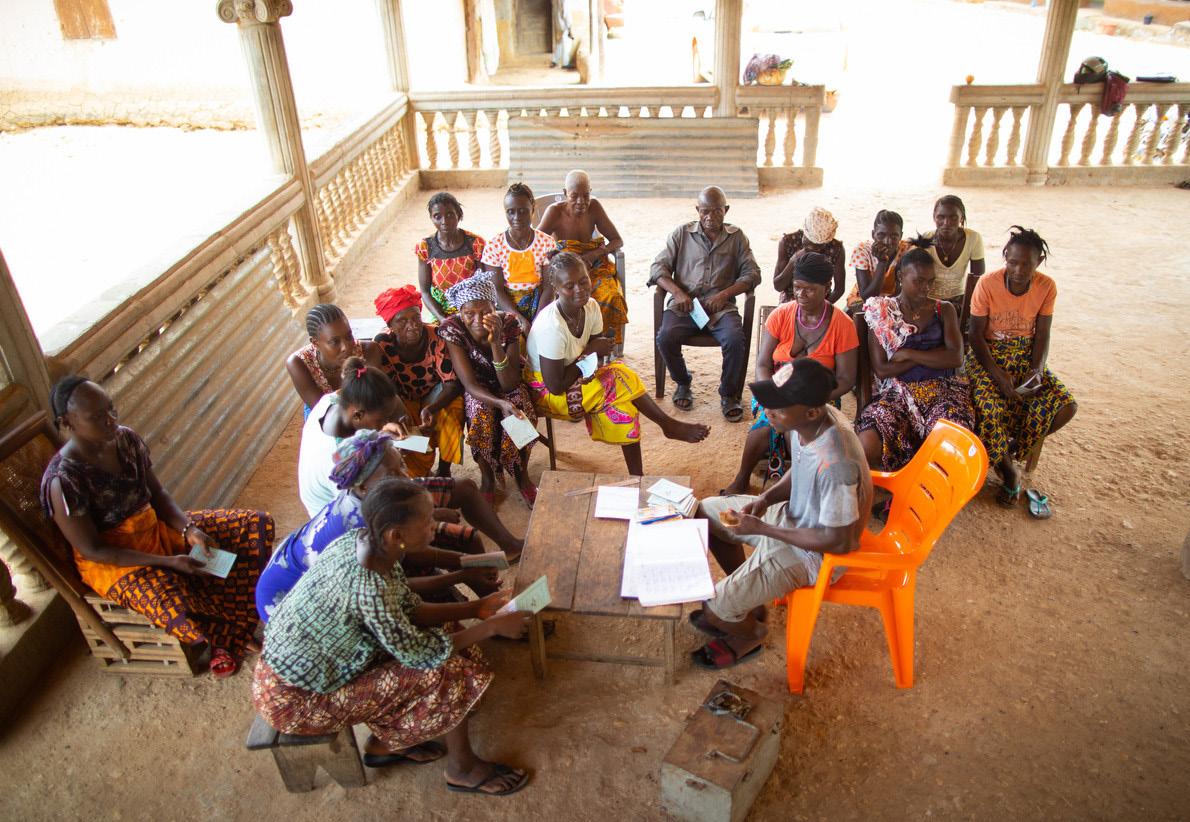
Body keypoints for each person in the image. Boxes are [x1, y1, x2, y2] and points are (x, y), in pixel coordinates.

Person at [253, 478, 532, 795]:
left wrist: (476, 608)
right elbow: (425, 655)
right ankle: (462, 769)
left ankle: (388, 743)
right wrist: (492, 626)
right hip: (298, 699)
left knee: (447, 634)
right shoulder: (369, 588)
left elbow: (404, 601)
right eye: (427, 522)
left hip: (316, 664)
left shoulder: (360, 544)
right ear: (396, 535)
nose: (434, 526)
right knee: (444, 671)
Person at [41, 377, 273, 678]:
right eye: (97, 416)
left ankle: (233, 629)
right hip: (116, 563)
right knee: (171, 603)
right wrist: (168, 562)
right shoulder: (64, 480)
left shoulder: (126, 439)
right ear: (67, 422)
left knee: (252, 526)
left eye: (111, 409)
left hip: (155, 530)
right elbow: (94, 550)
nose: (111, 419)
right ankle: (226, 639)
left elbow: (159, 495)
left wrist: (189, 530)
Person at [691, 360, 872, 669]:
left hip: (813, 553)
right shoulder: (810, 422)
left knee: (713, 609)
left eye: (778, 407)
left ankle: (752, 635)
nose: (768, 412)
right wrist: (766, 498)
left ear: (811, 412)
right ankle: (747, 601)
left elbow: (839, 542)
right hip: (794, 517)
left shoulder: (837, 466)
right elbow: (799, 467)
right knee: (705, 513)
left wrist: (763, 528)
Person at [256, 430, 504, 623]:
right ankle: (488, 609)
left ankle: (493, 604)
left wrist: (467, 563)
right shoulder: (362, 530)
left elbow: (409, 545)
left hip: (303, 561)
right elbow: (400, 584)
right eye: (392, 474)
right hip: (288, 600)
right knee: (425, 611)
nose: (405, 477)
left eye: (401, 465)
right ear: (363, 486)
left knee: (464, 540)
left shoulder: (372, 495)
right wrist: (465, 567)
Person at [524, 253, 711, 475]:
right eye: (569, 286)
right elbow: (555, 386)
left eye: (583, 281)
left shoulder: (591, 307)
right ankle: (667, 425)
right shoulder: (551, 327)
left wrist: (593, 360)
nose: (579, 290)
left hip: (575, 375)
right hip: (545, 391)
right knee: (618, 377)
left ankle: (638, 475)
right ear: (556, 288)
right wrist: (590, 353)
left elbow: (597, 356)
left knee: (622, 401)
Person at [723, 253, 858, 494]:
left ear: (827, 287)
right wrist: (772, 396)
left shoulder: (842, 324)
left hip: (820, 394)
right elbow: (763, 364)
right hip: (777, 389)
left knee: (798, 431)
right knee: (762, 430)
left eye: (810, 289)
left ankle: (797, 487)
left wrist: (811, 399)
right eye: (797, 287)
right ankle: (741, 478)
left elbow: (846, 379)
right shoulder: (781, 315)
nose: (801, 294)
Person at [966, 226, 1076, 511]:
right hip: (988, 355)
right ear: (1005, 256)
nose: (1018, 269)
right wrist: (997, 374)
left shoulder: (1046, 287)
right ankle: (1009, 471)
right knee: (987, 405)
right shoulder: (988, 284)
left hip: (1026, 355)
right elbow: (975, 336)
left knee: (1066, 406)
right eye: (1012, 262)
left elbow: (1042, 335)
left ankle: (1009, 449)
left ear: (1039, 262)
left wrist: (1036, 370)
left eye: (1026, 264)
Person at [855, 243, 975, 471]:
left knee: (949, 442)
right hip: (897, 393)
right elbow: (882, 370)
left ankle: (928, 488)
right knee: (867, 442)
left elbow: (955, 358)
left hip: (942, 391)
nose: (925, 288)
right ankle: (893, 482)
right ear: (901, 276)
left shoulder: (944, 309)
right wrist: (935, 356)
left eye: (930, 281)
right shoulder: (882, 311)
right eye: (919, 281)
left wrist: (909, 354)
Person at [649, 185, 761, 421]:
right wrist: (678, 293)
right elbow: (658, 268)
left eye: (717, 211)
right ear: (697, 210)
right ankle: (683, 382)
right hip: (685, 307)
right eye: (705, 211)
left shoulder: (737, 238)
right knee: (665, 337)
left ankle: (728, 394)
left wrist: (724, 295)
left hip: (721, 309)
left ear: (726, 210)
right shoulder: (681, 234)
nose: (710, 217)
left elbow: (752, 273)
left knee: (734, 339)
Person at [437, 273, 539, 506]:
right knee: (479, 411)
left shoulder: (509, 323)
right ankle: (488, 477)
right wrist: (500, 403)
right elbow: (470, 385)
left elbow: (509, 383)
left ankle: (521, 475)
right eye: (469, 313)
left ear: (495, 308)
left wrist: (495, 343)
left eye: (485, 312)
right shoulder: (453, 329)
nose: (477, 319)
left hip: (507, 380)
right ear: (460, 313)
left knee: (519, 406)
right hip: (478, 387)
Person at [370, 285, 466, 478]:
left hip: (436, 391)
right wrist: (401, 411)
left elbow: (452, 384)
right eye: (402, 321)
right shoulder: (381, 345)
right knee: (405, 427)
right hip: (402, 396)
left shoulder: (436, 335)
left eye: (415, 317)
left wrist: (432, 408)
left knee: (453, 411)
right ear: (390, 325)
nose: (412, 325)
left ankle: (444, 470)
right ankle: (420, 473)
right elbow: (386, 390)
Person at [298, 357, 413, 517]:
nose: (385, 424)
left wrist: (381, 433)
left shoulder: (335, 400)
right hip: (334, 512)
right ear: (358, 415)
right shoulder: (340, 459)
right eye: (381, 420)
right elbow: (362, 500)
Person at [536, 170, 628, 347]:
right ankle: (570, 345)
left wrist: (595, 254)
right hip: (566, 272)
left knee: (611, 295)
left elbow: (617, 240)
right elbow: (536, 242)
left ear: (590, 192)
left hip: (592, 266)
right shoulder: (554, 212)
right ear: (565, 193)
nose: (581, 201)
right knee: (566, 297)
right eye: (574, 196)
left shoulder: (594, 207)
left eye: (586, 195)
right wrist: (557, 259)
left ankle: (603, 345)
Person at [480, 182, 561, 334]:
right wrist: (519, 319)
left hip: (540, 303)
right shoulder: (495, 245)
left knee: (549, 334)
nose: (517, 217)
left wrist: (538, 319)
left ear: (533, 209)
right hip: (506, 306)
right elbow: (497, 289)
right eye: (510, 212)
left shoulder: (546, 242)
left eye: (523, 211)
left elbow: (549, 287)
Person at [286, 304, 375, 417]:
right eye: (334, 342)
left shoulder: (369, 351)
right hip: (324, 414)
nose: (346, 347)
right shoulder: (299, 363)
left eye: (349, 336)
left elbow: (377, 399)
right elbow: (323, 411)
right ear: (315, 343)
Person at [415, 192, 486, 321]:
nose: (444, 221)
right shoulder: (425, 247)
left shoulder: (475, 243)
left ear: (459, 215)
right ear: (431, 218)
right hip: (440, 311)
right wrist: (442, 319)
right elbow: (425, 292)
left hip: (473, 309)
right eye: (437, 216)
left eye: (450, 215)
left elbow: (484, 284)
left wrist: (471, 315)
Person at [923, 195, 985, 322]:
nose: (946, 223)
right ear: (934, 217)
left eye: (953, 217)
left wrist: (966, 305)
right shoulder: (926, 239)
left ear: (961, 218)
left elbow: (977, 279)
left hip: (959, 299)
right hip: (929, 300)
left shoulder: (973, 238)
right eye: (941, 217)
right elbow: (919, 276)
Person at [774, 207, 846, 305]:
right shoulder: (788, 242)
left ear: (827, 242)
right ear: (804, 234)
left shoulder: (836, 248)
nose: (814, 250)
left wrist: (821, 307)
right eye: (808, 247)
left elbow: (839, 290)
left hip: (822, 302)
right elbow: (778, 286)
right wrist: (793, 261)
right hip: (791, 302)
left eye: (819, 247)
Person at [846, 210, 910, 314]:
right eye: (881, 235)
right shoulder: (863, 251)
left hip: (893, 300)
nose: (887, 241)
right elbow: (868, 297)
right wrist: (882, 262)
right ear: (873, 234)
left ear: (901, 236)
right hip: (862, 302)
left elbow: (902, 290)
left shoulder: (906, 250)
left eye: (894, 236)